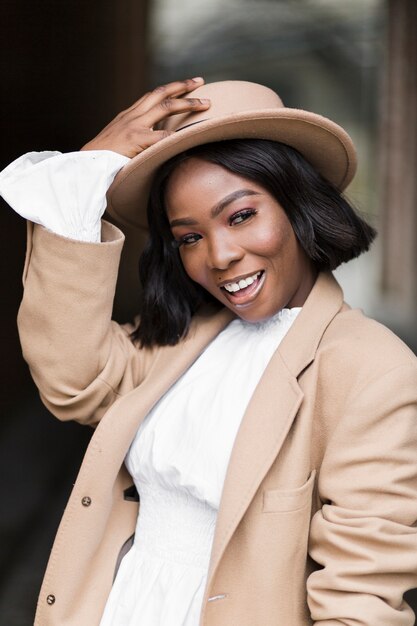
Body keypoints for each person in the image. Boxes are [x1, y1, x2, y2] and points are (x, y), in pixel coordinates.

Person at [1, 78, 416, 626]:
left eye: (241, 215)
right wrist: (87, 167)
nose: (219, 256)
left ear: (298, 207)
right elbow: (72, 382)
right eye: (189, 237)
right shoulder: (183, 340)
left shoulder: (373, 370)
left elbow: (360, 599)